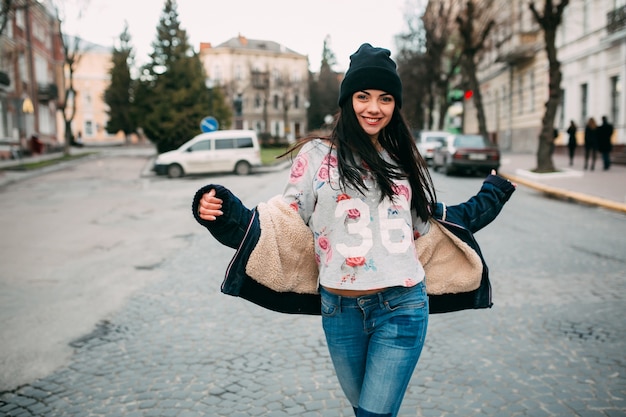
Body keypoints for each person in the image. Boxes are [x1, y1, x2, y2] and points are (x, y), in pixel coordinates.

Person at [193, 43, 516, 417]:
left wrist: (491, 195)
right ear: (348, 100)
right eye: (363, 96)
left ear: (395, 106)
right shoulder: (315, 155)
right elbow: (284, 220)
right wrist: (224, 213)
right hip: (339, 309)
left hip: (403, 306)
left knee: (374, 414)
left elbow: (431, 225)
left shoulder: (401, 158)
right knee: (363, 409)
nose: (374, 108)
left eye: (385, 98)